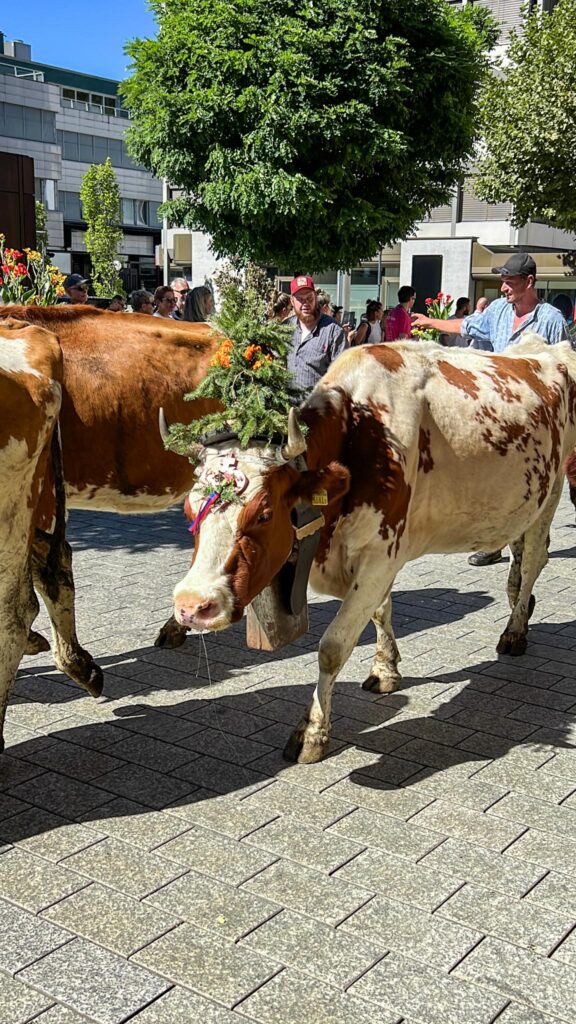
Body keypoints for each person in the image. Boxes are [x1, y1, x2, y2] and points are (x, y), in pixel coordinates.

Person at [412, 252, 570, 566]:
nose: (503, 287)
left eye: (510, 281)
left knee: (530, 481)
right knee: (497, 479)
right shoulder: (497, 310)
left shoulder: (551, 319)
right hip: (500, 411)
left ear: (529, 282)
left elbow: (562, 371)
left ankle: (533, 535)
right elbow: (467, 325)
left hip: (536, 419)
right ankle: (495, 541)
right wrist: (431, 321)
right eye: (502, 281)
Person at [286, 274, 348, 393]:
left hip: (318, 403)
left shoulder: (333, 331)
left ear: (315, 296)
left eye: (309, 298)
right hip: (287, 403)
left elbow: (342, 376)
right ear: (292, 301)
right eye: (300, 299)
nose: (305, 303)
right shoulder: (286, 328)